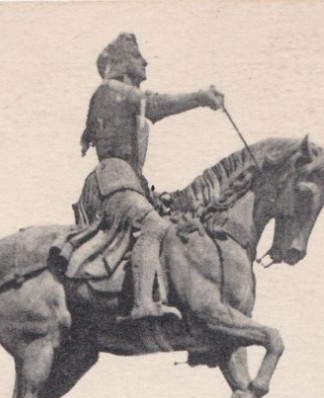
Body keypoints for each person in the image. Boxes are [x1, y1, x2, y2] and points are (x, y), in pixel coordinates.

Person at [52, 33, 224, 318]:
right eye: (136, 56)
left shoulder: (119, 96)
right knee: (153, 226)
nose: (145, 61)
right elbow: (153, 103)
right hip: (113, 182)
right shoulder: (110, 90)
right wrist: (199, 97)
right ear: (120, 62)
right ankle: (143, 304)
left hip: (129, 181)